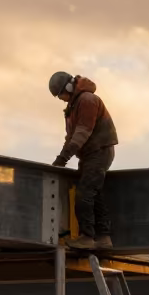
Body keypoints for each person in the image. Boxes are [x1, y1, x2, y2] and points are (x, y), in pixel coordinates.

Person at [48, 71, 118, 250]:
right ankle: (103, 238)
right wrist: (62, 156)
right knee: (95, 193)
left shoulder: (87, 100)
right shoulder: (73, 106)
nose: (61, 99)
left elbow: (81, 133)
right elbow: (70, 136)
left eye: (61, 95)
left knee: (84, 193)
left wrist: (63, 158)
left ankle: (87, 237)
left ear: (69, 88)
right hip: (90, 154)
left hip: (99, 151)